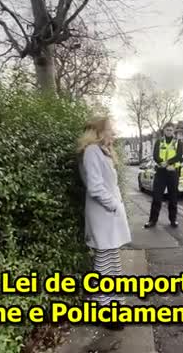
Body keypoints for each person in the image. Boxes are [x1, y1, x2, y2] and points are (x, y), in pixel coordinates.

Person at [77, 116, 131, 331]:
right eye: (110, 129)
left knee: (112, 263)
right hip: (103, 215)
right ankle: (104, 311)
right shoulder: (91, 151)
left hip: (108, 216)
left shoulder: (101, 151)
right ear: (98, 132)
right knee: (104, 264)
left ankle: (114, 305)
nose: (113, 133)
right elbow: (96, 187)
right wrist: (115, 206)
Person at [144, 122, 183, 228]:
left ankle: (173, 220)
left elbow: (179, 156)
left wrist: (167, 162)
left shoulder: (178, 142)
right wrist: (163, 163)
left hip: (172, 172)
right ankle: (152, 220)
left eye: (171, 130)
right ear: (164, 130)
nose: (169, 132)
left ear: (173, 131)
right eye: (167, 130)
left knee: (173, 198)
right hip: (161, 173)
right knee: (157, 197)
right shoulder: (159, 141)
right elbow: (155, 155)